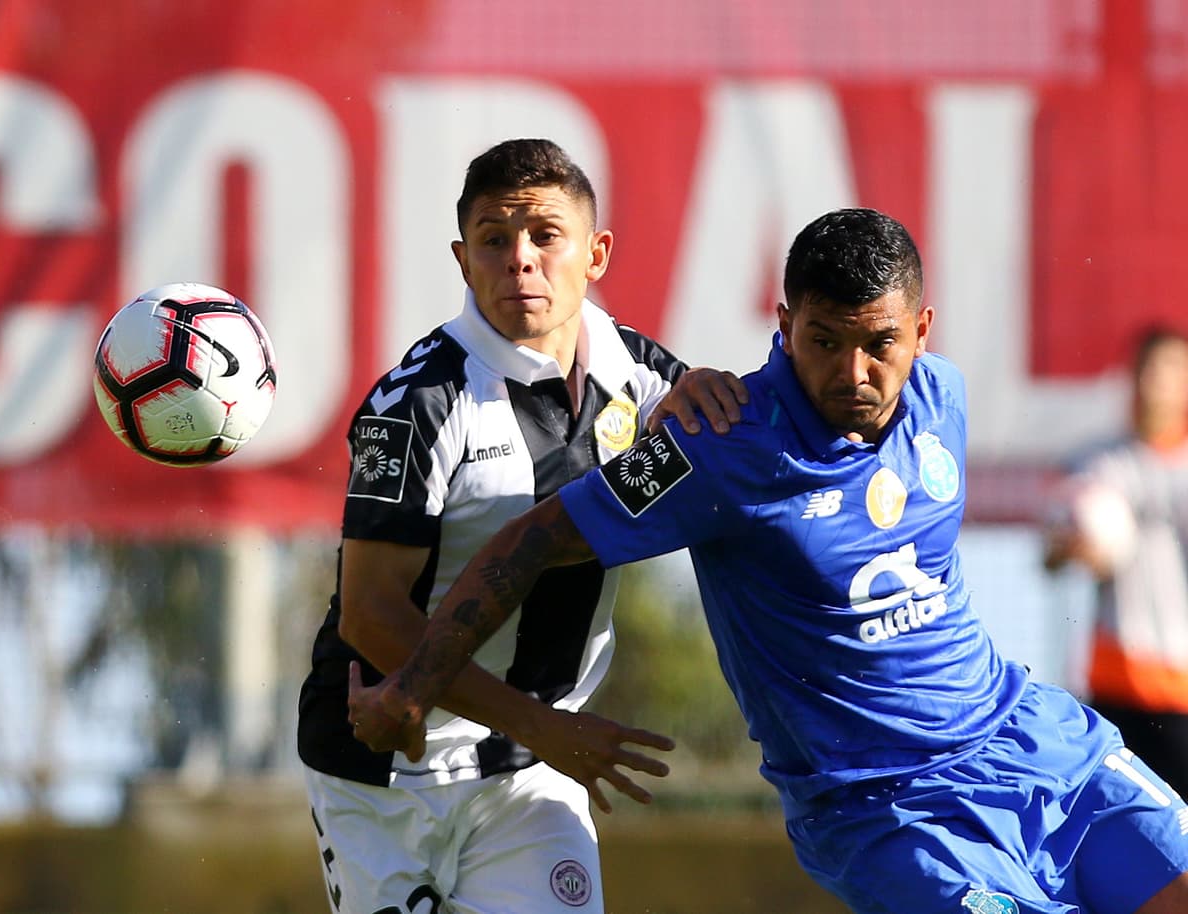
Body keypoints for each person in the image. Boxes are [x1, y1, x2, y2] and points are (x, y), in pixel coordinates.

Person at [350, 208, 1188, 914]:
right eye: (823, 341)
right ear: (783, 326)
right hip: (890, 813)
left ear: (921, 332)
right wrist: (413, 686)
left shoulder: (945, 397)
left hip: (1038, 745)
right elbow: (532, 539)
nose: (852, 373)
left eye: (880, 345)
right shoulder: (714, 446)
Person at [296, 137, 745, 914]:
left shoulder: (641, 379)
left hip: (526, 782)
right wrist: (545, 728)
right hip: (382, 774)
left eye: (545, 235)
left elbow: (702, 479)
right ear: (463, 259)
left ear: (596, 252)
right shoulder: (418, 404)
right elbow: (371, 615)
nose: (520, 260)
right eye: (494, 240)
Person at [1043, 326, 1188, 799]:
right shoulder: (1096, 464)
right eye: (1147, 369)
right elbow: (1049, 556)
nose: (1156, 382)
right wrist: (1073, 548)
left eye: (1169, 371)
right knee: (1120, 830)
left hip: (1181, 687)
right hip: (1113, 682)